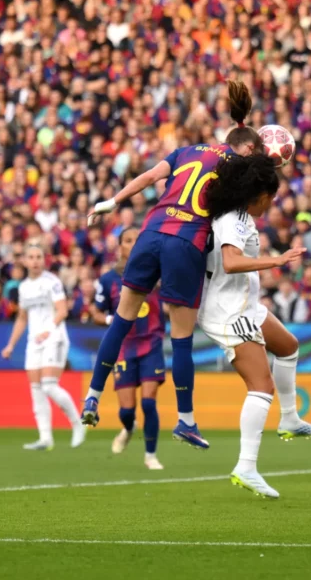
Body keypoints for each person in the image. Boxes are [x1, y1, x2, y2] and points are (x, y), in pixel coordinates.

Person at [80, 80, 263, 450]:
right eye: (255, 151)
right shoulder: (238, 165)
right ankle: (186, 421)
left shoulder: (186, 150)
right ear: (246, 147)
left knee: (121, 319)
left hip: (151, 232)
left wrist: (112, 203)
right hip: (185, 241)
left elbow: (149, 177)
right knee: (180, 338)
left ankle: (93, 395)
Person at [198, 153, 308, 499]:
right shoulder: (234, 220)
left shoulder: (241, 216)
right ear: (258, 195)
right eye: (271, 197)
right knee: (261, 386)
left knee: (288, 346)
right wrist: (276, 260)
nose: (272, 203)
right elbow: (230, 263)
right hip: (228, 311)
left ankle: (289, 419)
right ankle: (246, 466)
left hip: (246, 304)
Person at [90, 227, 166, 470]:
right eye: (128, 240)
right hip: (123, 347)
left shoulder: (158, 271)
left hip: (151, 343)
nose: (133, 244)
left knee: (149, 403)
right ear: (119, 246)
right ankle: (128, 427)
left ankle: (150, 455)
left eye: (137, 240)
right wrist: (111, 320)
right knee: (126, 410)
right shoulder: (108, 279)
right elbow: (95, 313)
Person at [0, 244, 86, 451]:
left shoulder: (52, 282)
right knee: (36, 389)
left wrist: (49, 329)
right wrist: (11, 344)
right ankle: (45, 438)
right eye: (31, 257)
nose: (35, 260)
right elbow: (22, 318)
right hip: (33, 341)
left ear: (43, 260)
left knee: (49, 385)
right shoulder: (23, 287)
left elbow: (62, 310)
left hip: (54, 337)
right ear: (26, 261)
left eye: (39, 256)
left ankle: (78, 423)